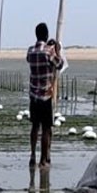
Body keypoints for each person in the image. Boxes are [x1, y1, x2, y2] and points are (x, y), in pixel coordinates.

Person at [26, 22, 65, 167]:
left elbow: (29, 59)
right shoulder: (49, 52)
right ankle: (43, 160)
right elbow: (59, 64)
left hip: (33, 95)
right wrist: (57, 50)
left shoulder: (30, 51)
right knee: (46, 128)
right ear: (46, 35)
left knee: (35, 126)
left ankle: (32, 154)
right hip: (46, 95)